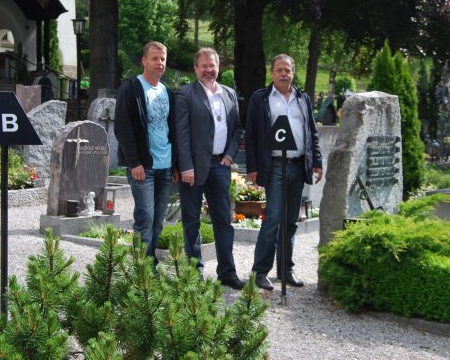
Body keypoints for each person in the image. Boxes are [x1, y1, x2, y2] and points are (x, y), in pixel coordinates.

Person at [246, 54, 323, 291]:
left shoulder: (303, 98)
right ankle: (260, 271)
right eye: (279, 70)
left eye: (287, 70)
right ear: (272, 73)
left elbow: (312, 131)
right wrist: (252, 168)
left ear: (293, 72)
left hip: (298, 166)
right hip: (274, 166)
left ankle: (285, 269)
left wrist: (317, 161)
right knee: (273, 218)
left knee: (290, 221)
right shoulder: (261, 98)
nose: (283, 74)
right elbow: (251, 135)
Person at [176, 47, 245, 289]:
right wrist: (185, 166)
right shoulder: (185, 94)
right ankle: (194, 272)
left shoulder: (229, 94)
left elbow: (236, 129)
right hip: (192, 169)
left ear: (218, 67)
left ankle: (227, 272)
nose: (208, 70)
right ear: (196, 68)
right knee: (191, 220)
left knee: (224, 220)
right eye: (204, 66)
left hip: (220, 166)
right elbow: (181, 133)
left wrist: (229, 156)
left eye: (212, 65)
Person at [115, 41, 178, 259]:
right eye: (154, 58)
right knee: (145, 219)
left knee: (158, 221)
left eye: (162, 59)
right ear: (144, 61)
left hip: (165, 166)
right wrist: (134, 162)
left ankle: (150, 265)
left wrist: (176, 164)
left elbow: (172, 129)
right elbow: (122, 127)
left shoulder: (167, 91)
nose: (159, 63)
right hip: (144, 167)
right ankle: (140, 269)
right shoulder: (131, 87)